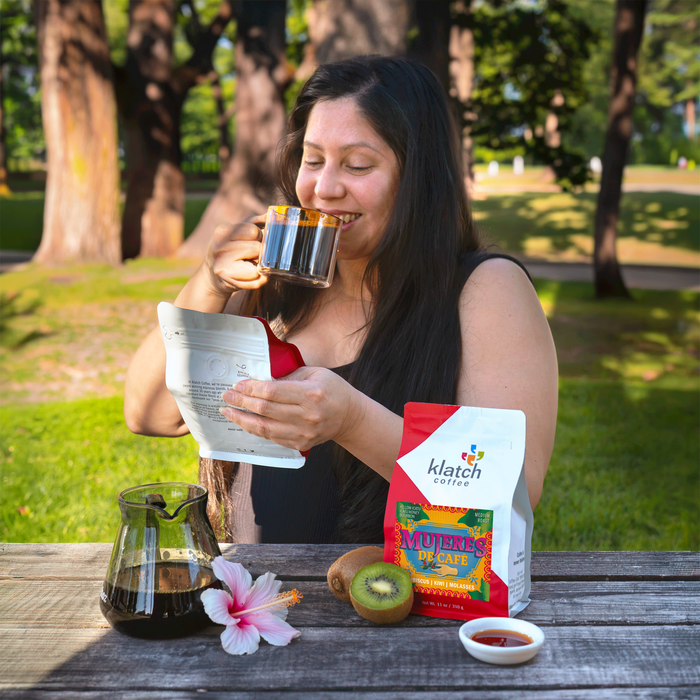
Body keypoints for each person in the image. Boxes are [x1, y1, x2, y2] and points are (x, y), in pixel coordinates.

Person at [124, 55, 558, 544]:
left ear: (419, 177)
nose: (324, 189)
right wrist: (208, 283)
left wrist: (351, 420)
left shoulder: (484, 289)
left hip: (400, 603)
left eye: (357, 165)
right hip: (261, 602)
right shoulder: (268, 283)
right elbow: (150, 414)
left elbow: (512, 486)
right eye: (313, 160)